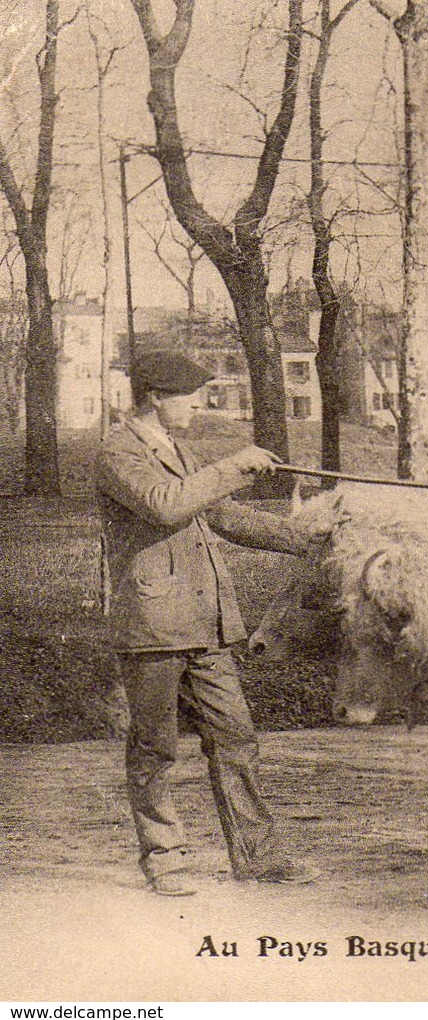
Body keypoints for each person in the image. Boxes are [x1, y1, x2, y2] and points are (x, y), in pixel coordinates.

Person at [97, 351, 323, 896]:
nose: (198, 407)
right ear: (154, 396)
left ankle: (259, 856)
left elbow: (221, 516)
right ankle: (164, 858)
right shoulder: (116, 451)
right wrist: (232, 468)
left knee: (236, 739)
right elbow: (165, 505)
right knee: (154, 747)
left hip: (208, 625)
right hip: (152, 625)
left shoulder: (182, 450)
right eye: (190, 396)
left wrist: (310, 543)